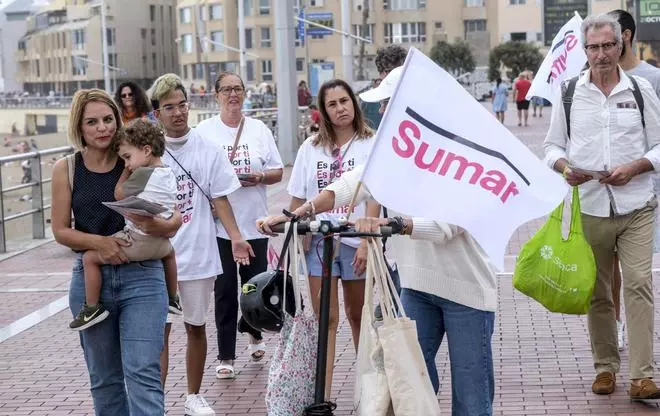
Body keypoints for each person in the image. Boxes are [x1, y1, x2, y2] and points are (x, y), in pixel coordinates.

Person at [258, 66, 498, 416]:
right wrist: (301, 213)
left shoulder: (461, 151)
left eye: (388, 103)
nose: (382, 111)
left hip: (465, 290)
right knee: (406, 385)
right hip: (415, 287)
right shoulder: (396, 152)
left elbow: (451, 224)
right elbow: (352, 184)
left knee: (471, 395)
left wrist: (397, 224)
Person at [544, 14, 660, 399]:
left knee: (639, 284)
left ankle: (642, 375)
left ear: (620, 45)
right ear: (585, 49)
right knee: (598, 291)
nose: (601, 54)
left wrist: (637, 166)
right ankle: (606, 367)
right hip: (590, 205)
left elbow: (659, 147)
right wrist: (566, 168)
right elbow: (552, 147)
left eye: (608, 45)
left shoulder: (640, 90)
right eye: (593, 47)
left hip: (637, 204)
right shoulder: (569, 92)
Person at [51, 89, 182, 414]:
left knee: (143, 372)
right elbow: (60, 230)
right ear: (79, 127)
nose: (102, 128)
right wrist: (100, 244)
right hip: (91, 281)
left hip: (143, 277)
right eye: (92, 122)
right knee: (105, 379)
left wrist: (167, 226)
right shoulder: (66, 168)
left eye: (108, 119)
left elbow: (174, 209)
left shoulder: (136, 157)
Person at [148, 73, 253, 416]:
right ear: (157, 113)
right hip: (158, 257)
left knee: (195, 325)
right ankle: (156, 401)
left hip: (198, 255)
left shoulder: (207, 149)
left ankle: (193, 395)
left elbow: (220, 197)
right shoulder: (148, 151)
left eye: (182, 105)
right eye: (169, 108)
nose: (178, 113)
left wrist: (236, 236)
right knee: (159, 331)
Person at [274, 78, 379, 399]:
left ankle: (368, 394)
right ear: (323, 111)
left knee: (358, 315)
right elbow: (298, 198)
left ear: (354, 103)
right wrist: (285, 226)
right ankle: (323, 395)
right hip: (318, 243)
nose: (340, 108)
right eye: (332, 104)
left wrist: (366, 241)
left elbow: (374, 195)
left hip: (355, 239)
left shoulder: (370, 143)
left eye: (344, 101)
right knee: (326, 321)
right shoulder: (311, 148)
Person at [195, 71, 284, 379]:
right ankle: (226, 355)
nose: (233, 94)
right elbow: (196, 173)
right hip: (219, 227)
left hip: (255, 222)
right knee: (224, 290)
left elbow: (277, 172)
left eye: (238, 89)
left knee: (253, 286)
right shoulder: (204, 131)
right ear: (216, 94)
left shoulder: (258, 129)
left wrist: (259, 177)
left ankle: (255, 334)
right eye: (227, 90)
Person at [69, 120, 182, 331]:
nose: (127, 163)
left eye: (128, 157)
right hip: (162, 245)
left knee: (89, 258)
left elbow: (119, 193)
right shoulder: (167, 172)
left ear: (147, 150)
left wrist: (125, 171)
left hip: (140, 241)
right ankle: (173, 298)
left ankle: (92, 307)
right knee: (170, 256)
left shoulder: (143, 173)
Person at [607, 8, 660, 352]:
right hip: (604, 190)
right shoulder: (591, 77)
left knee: (638, 270)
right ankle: (616, 324)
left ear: (625, 36)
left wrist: (642, 167)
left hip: (644, 187)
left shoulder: (651, 78)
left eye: (610, 37)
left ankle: (639, 327)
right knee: (610, 265)